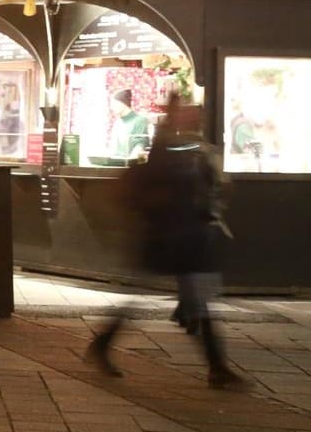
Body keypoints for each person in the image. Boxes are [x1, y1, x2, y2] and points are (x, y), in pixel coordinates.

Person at [88, 98, 244, 389]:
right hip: (168, 236)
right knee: (151, 298)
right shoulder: (170, 150)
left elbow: (214, 190)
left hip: (186, 237)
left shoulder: (196, 151)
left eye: (195, 115)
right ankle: (216, 367)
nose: (193, 120)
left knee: (196, 301)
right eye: (188, 115)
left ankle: (217, 367)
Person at [108, 89, 152, 163]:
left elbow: (140, 145)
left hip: (130, 167)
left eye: (114, 104)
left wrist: (129, 163)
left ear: (123, 103)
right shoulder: (117, 123)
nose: (111, 107)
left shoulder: (140, 121)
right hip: (115, 165)